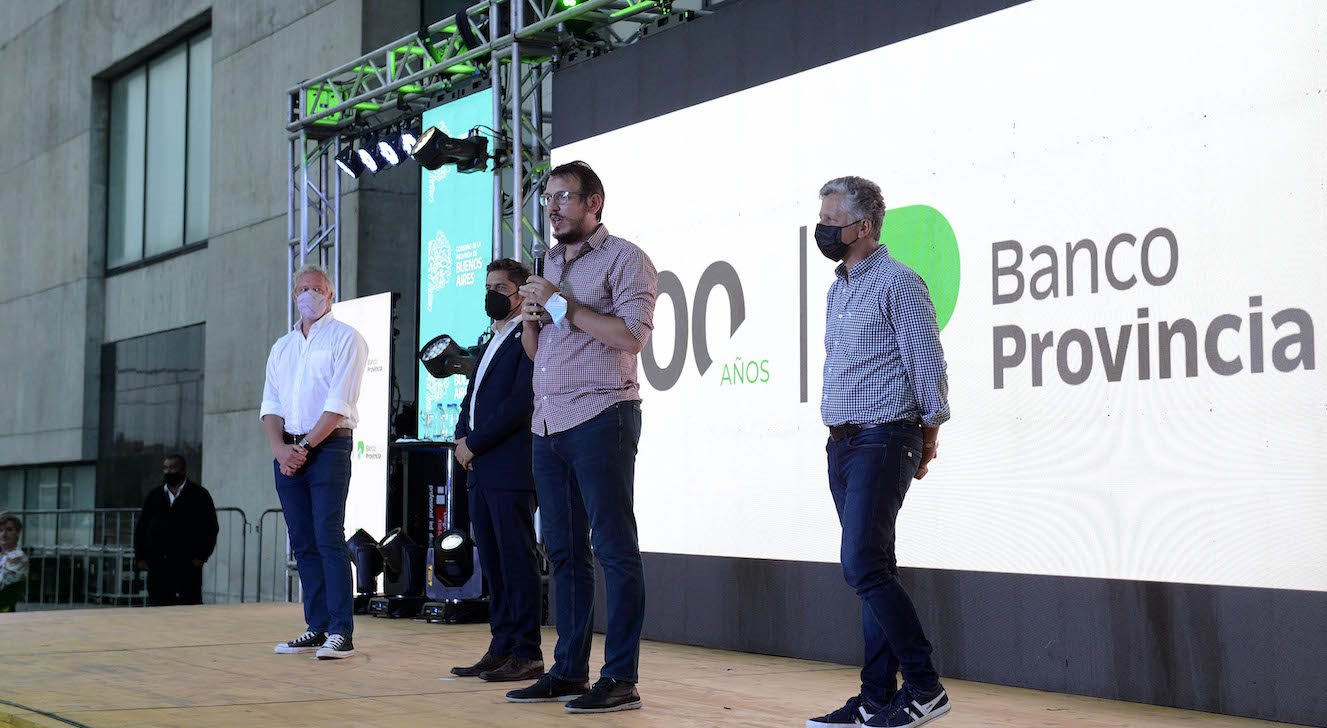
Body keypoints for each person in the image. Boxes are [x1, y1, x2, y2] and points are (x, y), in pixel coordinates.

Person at [507, 160, 657, 714]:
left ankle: (621, 677)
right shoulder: (548, 262)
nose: (553, 207)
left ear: (595, 203)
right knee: (565, 552)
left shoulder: (626, 259)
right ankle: (568, 669)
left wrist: (563, 305)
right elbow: (537, 353)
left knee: (614, 549)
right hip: (548, 423)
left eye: (566, 197)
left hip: (602, 416)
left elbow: (631, 336)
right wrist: (530, 317)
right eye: (549, 198)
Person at [806, 176, 952, 728]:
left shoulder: (898, 283)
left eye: (831, 219)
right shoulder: (837, 288)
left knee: (863, 564)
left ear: (863, 226)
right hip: (842, 442)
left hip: (886, 435)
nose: (822, 229)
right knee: (872, 569)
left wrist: (929, 435)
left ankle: (924, 687)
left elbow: (928, 364)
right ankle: (874, 697)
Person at [260, 263, 368, 660]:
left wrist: (302, 447)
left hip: (328, 448)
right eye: (304, 288)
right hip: (287, 452)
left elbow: (338, 405)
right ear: (294, 295)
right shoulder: (282, 347)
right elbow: (271, 405)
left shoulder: (346, 339)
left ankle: (342, 630)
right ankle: (317, 625)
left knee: (328, 536)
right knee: (303, 542)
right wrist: (280, 449)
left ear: (331, 294)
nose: (310, 294)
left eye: (318, 288)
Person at [449, 258, 544, 683]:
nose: (491, 294)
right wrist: (458, 438)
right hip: (481, 471)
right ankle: (501, 645)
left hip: (509, 468)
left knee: (516, 561)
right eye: (488, 285)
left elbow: (520, 403)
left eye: (500, 287)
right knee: (493, 562)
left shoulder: (529, 336)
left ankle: (528, 652)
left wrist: (474, 443)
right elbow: (471, 398)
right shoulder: (491, 340)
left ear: (521, 293)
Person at [133, 455, 219, 606]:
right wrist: (141, 557)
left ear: (183, 470)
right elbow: (142, 527)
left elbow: (211, 527)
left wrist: (201, 556)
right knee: (159, 609)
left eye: (173, 468)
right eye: (165, 468)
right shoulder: (154, 496)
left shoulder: (199, 495)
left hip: (187, 565)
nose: (168, 471)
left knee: (188, 610)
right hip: (159, 566)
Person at [0, 513, 29, 613]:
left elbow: (2, 584)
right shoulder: (2, 555)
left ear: (18, 533)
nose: (3, 534)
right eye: (0, 530)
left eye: (9, 530)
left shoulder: (19, 558)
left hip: (4, 612)